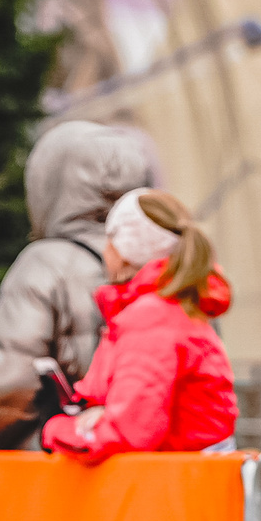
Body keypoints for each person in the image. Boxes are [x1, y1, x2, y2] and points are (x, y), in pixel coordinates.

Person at [0, 120, 155, 450]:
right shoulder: (168, 260)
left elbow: (7, 386)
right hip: (149, 468)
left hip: (64, 468)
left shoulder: (45, 263)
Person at [37, 190, 236, 462]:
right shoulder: (172, 310)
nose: (105, 248)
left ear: (125, 251)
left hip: (176, 491)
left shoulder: (152, 318)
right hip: (186, 484)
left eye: (110, 238)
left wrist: (56, 429)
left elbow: (130, 431)